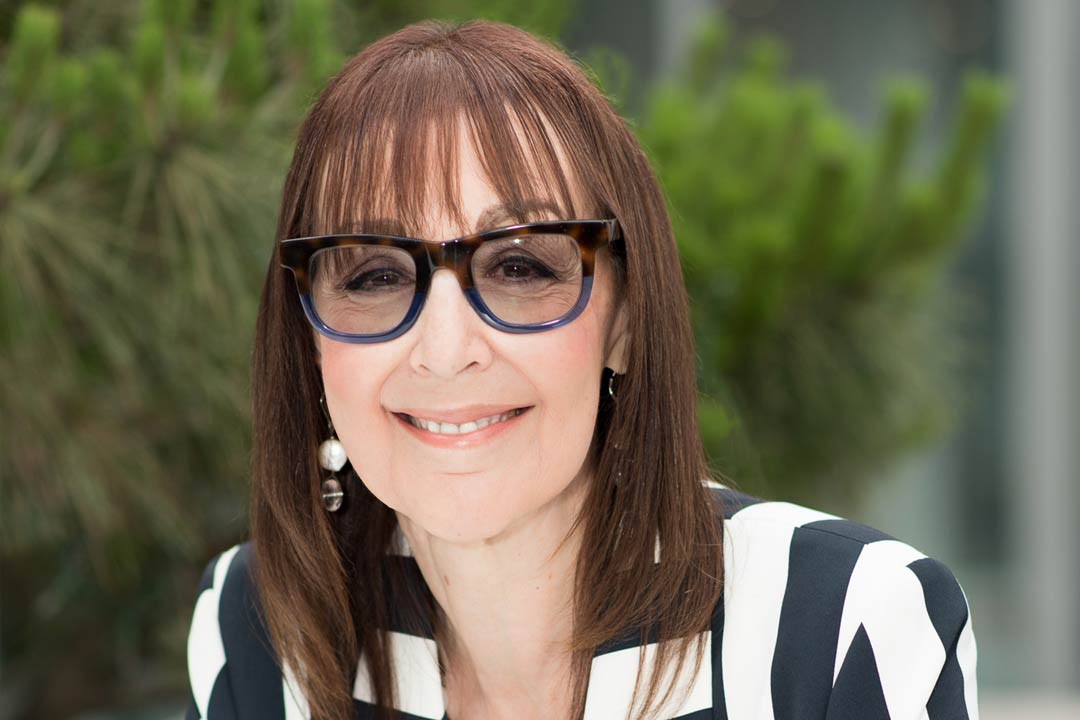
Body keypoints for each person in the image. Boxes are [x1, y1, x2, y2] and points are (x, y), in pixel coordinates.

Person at [184, 19, 978, 720]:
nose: (445, 348)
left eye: (520, 266)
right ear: (309, 342)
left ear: (625, 323)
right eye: (375, 276)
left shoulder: (840, 629)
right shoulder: (258, 632)